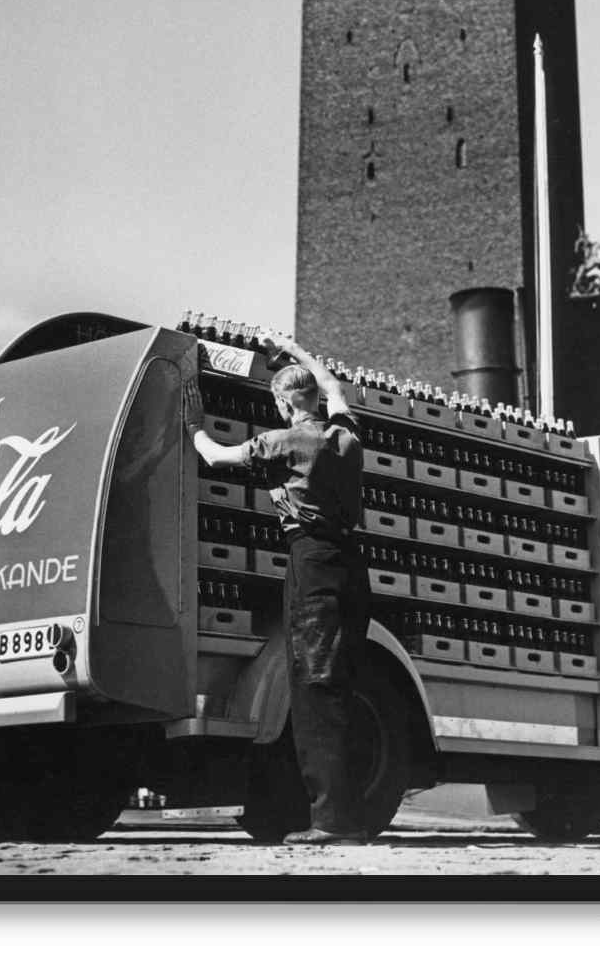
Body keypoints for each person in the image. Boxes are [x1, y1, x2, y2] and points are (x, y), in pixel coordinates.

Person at [190, 330, 371, 844]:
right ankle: (342, 814)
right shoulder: (345, 436)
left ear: (282, 403)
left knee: (314, 688)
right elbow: (335, 385)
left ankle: (333, 823)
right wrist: (292, 350)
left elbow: (215, 458)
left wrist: (191, 424)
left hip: (310, 561)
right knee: (341, 687)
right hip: (352, 565)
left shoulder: (284, 442)